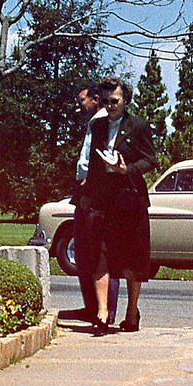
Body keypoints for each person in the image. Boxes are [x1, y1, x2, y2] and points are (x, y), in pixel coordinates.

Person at [85, 76, 157, 335]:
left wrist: (127, 169)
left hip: (131, 201)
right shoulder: (98, 126)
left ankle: (131, 312)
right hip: (104, 201)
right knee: (101, 255)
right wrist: (89, 194)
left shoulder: (139, 126)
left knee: (133, 259)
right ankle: (102, 313)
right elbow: (93, 162)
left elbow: (150, 160)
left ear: (125, 100)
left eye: (114, 101)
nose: (109, 106)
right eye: (104, 101)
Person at [69, 82, 119, 324]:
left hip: (95, 191)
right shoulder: (94, 122)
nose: (80, 105)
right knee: (85, 251)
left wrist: (89, 182)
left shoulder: (102, 122)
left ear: (96, 99)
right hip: (85, 190)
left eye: (82, 100)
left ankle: (105, 309)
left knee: (99, 250)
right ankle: (93, 307)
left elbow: (98, 156)